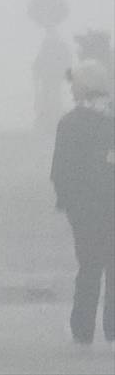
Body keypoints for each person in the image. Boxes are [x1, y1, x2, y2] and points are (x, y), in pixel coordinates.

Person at [50, 60, 115, 346]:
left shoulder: (70, 124)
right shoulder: (110, 122)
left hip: (85, 211)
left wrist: (69, 202)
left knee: (88, 266)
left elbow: (59, 171)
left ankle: (82, 328)